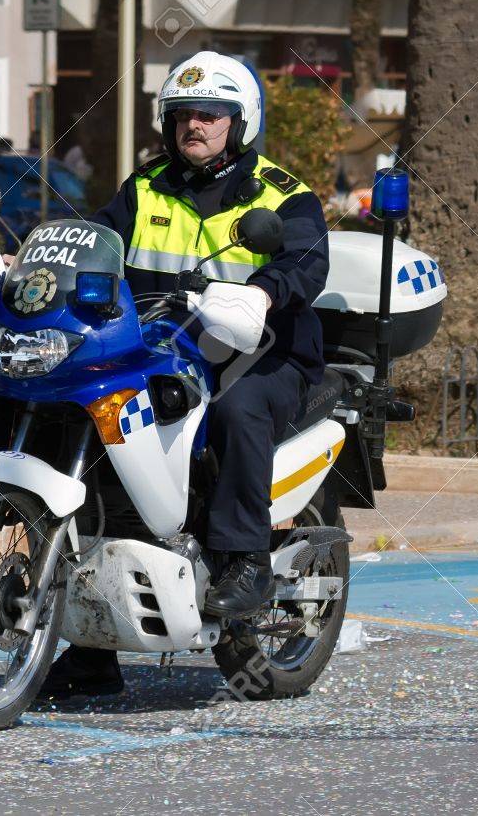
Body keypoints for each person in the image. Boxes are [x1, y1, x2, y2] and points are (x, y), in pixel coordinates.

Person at [40, 51, 330, 701]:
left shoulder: (281, 194)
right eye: (182, 115)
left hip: (261, 355)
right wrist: (36, 270)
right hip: (160, 350)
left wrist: (264, 293)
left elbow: (307, 262)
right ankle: (93, 647)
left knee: (236, 410)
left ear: (239, 122)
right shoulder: (144, 188)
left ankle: (246, 561)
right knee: (104, 432)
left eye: (209, 114)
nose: (193, 125)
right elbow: (96, 245)